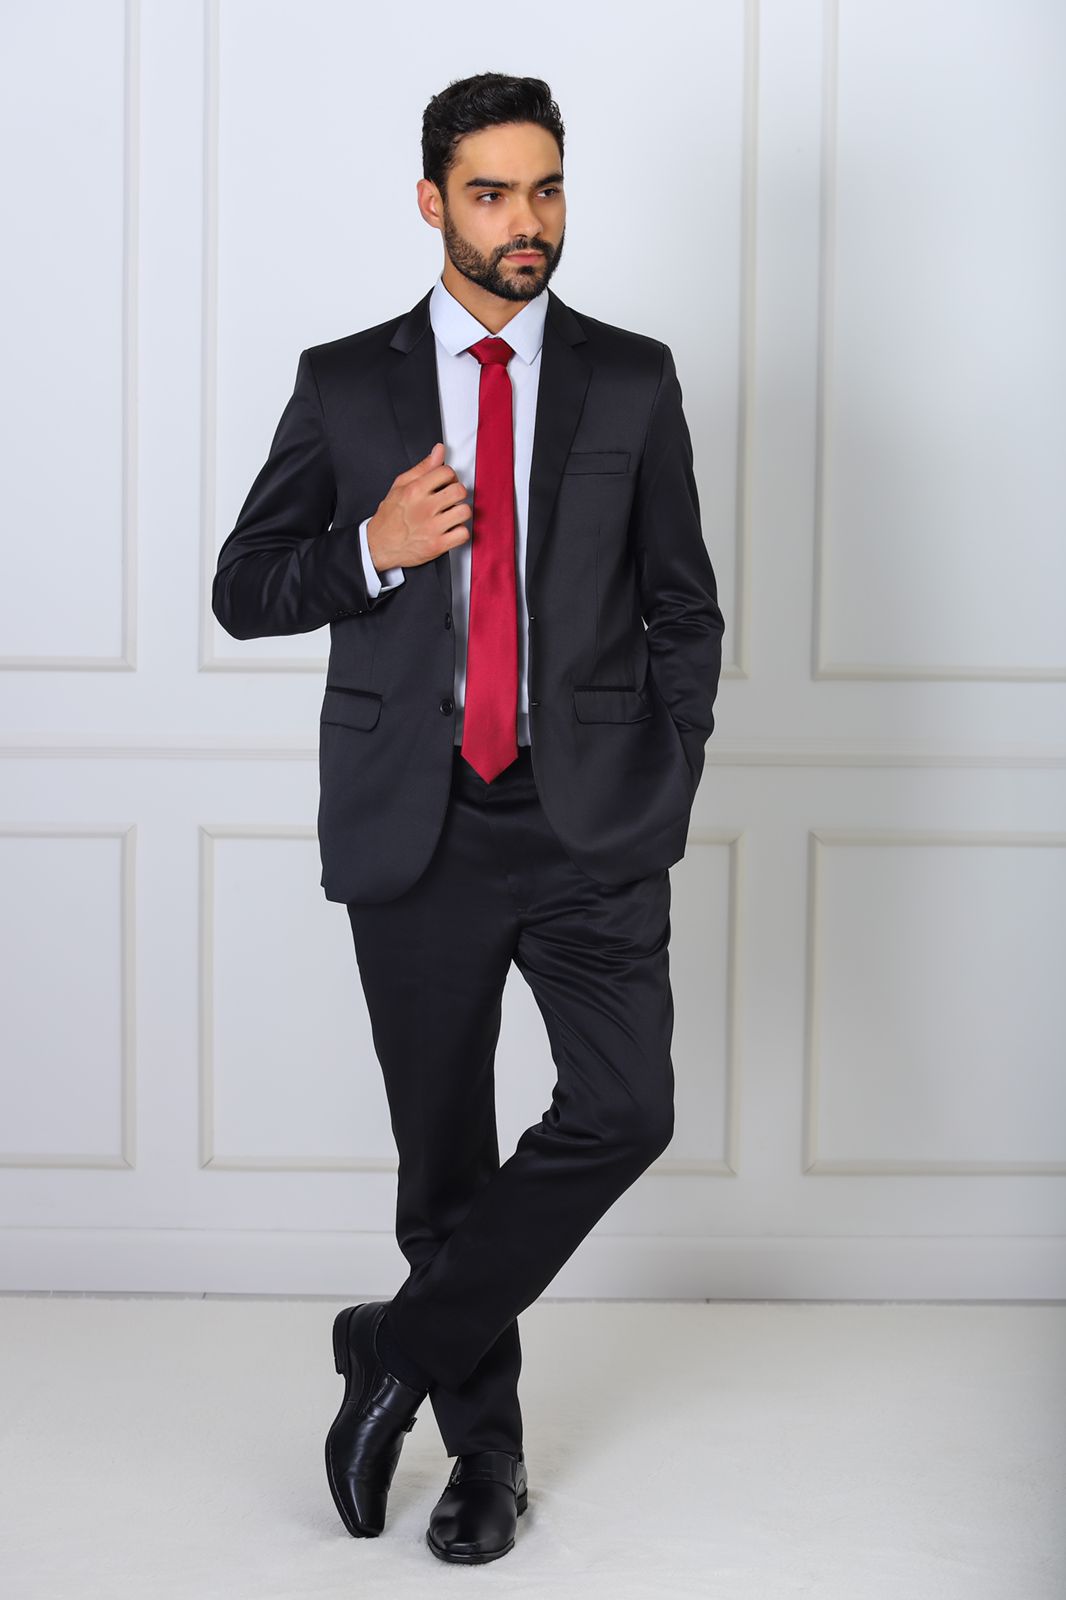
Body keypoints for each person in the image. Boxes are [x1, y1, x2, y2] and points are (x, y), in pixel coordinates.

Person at [212, 70, 725, 1566]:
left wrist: (665, 772)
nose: (526, 222)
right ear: (433, 201)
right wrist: (368, 550)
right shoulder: (345, 383)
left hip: (589, 825)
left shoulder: (630, 378)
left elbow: (683, 607)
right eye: (492, 194)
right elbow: (244, 588)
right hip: (414, 821)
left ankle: (395, 1344)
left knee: (625, 1109)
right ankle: (483, 1456)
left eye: (545, 189)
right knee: (441, 1160)